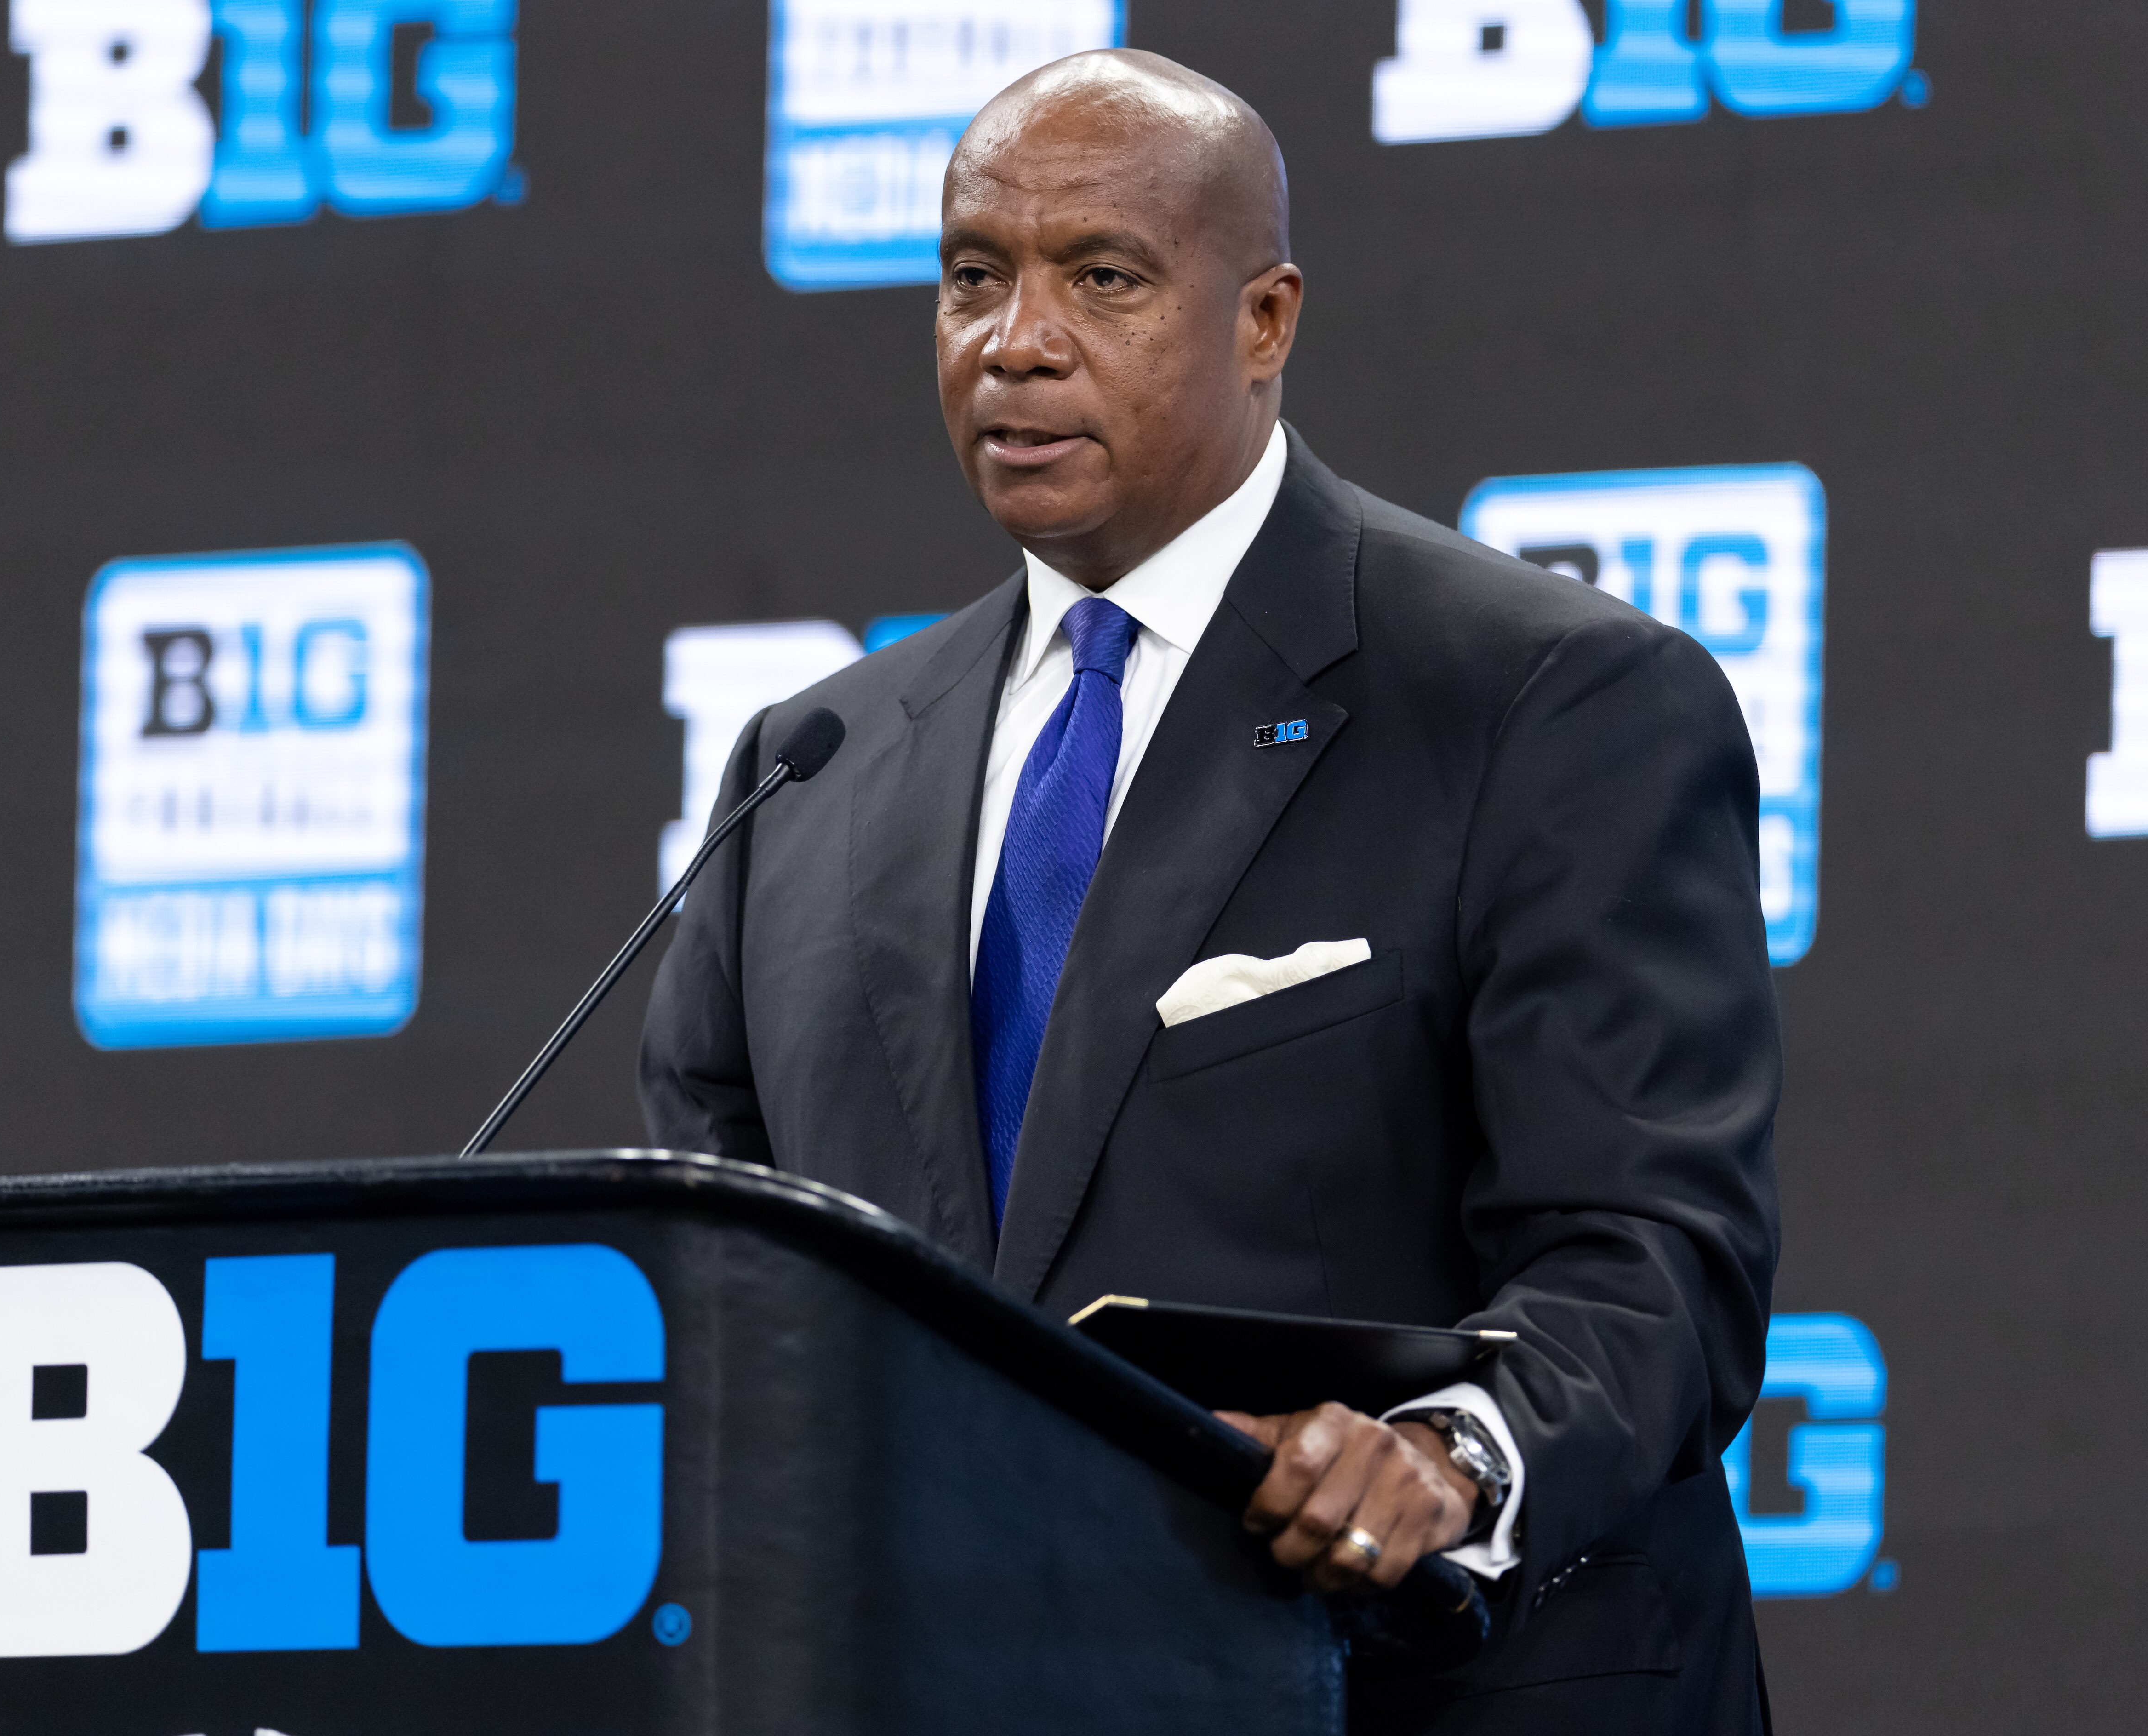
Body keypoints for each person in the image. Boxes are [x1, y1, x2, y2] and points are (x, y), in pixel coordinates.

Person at [640, 47, 1779, 1734]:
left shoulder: (1543, 699)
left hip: (1408, 1692)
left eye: (1102, 277)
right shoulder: (805, 771)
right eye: (974, 276)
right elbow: (713, 1298)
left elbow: (1652, 1254)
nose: (1015, 341)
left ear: (1266, 322)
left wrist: (1450, 1456)